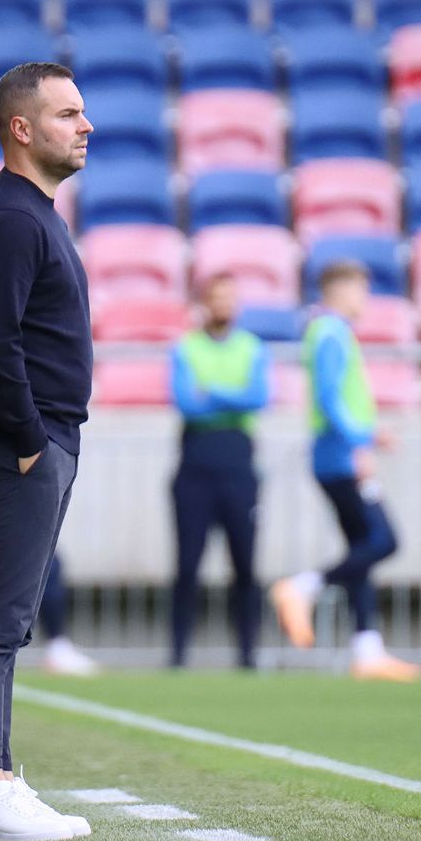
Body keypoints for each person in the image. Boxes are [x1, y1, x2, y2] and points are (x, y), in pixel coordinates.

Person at [0, 62, 94, 841]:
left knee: (8, 623)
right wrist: (33, 441)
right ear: (22, 128)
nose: (85, 125)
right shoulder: (11, 217)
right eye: (68, 114)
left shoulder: (30, 212)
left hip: (41, 441)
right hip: (20, 446)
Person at [269, 261, 421, 683]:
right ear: (339, 290)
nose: (364, 299)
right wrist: (363, 439)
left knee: (361, 550)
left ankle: (367, 650)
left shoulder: (328, 332)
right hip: (339, 457)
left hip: (338, 454)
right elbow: (331, 398)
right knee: (384, 540)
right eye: (360, 290)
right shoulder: (331, 332)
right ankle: (304, 586)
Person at [168, 275, 268, 669]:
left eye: (230, 297)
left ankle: (248, 654)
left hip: (238, 466)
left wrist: (211, 391)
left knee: (244, 565)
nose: (224, 304)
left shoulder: (251, 348)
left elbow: (257, 397)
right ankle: (178, 654)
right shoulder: (186, 347)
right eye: (217, 297)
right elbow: (186, 404)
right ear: (204, 303)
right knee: (187, 566)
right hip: (195, 466)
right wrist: (232, 396)